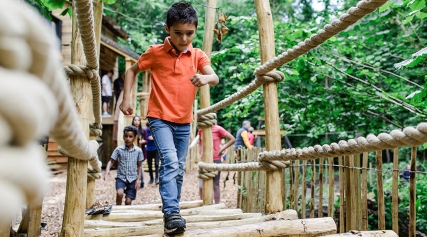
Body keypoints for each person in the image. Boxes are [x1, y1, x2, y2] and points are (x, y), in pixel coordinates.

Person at [119, 2, 219, 235]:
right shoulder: (155, 53)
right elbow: (132, 70)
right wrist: (126, 98)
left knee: (179, 168)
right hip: (159, 117)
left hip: (184, 121)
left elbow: (213, 77)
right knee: (171, 162)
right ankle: (172, 212)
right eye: (178, 33)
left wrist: (205, 79)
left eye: (189, 33)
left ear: (195, 30)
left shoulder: (197, 55)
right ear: (167, 29)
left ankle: (172, 210)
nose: (184, 39)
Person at [104, 126, 144, 205]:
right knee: (119, 193)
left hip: (132, 178)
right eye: (126, 136)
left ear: (135, 138)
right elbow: (111, 161)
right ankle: (118, 210)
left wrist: (138, 180)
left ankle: (126, 214)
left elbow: (139, 166)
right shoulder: (119, 149)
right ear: (123, 137)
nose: (128, 138)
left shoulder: (138, 151)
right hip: (121, 177)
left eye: (130, 136)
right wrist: (107, 171)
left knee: (128, 201)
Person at [198, 125, 235, 204]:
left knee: (215, 184)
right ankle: (202, 203)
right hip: (203, 161)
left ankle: (216, 205)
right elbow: (200, 142)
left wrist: (221, 149)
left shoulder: (218, 129)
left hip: (216, 160)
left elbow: (232, 139)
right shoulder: (201, 129)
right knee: (201, 186)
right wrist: (201, 152)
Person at [132, 115, 148, 188]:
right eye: (135, 120)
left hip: (140, 151)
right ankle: (132, 182)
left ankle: (142, 181)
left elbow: (147, 140)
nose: (136, 122)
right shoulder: (130, 130)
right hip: (131, 151)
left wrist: (143, 141)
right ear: (133, 121)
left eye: (138, 120)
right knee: (132, 166)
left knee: (140, 166)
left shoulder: (142, 130)